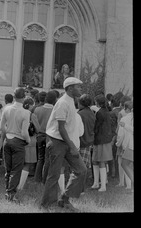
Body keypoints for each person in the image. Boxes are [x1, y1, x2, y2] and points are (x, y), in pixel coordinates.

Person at [40, 77, 87, 211]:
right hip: (57, 142)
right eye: (78, 87)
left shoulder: (71, 101)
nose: (81, 89)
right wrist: (72, 146)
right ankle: (47, 204)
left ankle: (64, 199)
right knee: (54, 175)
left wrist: (72, 145)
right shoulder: (62, 103)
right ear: (70, 88)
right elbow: (61, 128)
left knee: (81, 170)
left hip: (67, 142)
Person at [0, 87, 31, 203]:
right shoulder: (26, 112)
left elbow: (1, 127)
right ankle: (11, 194)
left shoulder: (6, 109)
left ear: (13, 97)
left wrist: (9, 132)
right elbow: (24, 132)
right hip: (18, 140)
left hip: (7, 139)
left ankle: (7, 192)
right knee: (16, 170)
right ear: (24, 98)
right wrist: (28, 140)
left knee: (8, 168)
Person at [34, 91, 57, 183]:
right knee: (48, 158)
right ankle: (45, 179)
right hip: (49, 136)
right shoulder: (54, 110)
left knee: (40, 158)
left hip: (39, 134)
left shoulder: (37, 109)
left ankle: (37, 178)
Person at [17, 97, 40, 190]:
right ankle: (20, 186)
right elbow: (38, 129)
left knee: (18, 163)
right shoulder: (31, 115)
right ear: (30, 105)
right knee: (27, 164)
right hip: (30, 141)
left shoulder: (18, 112)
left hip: (18, 138)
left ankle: (14, 182)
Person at [91, 94, 113, 192]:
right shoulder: (106, 111)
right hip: (105, 140)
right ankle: (96, 183)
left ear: (97, 102)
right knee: (96, 161)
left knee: (100, 162)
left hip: (100, 140)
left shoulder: (99, 113)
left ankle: (102, 185)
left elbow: (96, 127)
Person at [77, 94, 95, 192]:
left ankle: (80, 188)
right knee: (85, 166)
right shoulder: (91, 113)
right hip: (89, 141)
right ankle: (81, 187)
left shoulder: (80, 114)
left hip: (81, 141)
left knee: (79, 167)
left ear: (81, 103)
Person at [116, 101, 133, 191]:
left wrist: (118, 143)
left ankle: (128, 184)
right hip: (129, 144)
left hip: (127, 145)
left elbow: (120, 134)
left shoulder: (124, 119)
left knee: (125, 165)